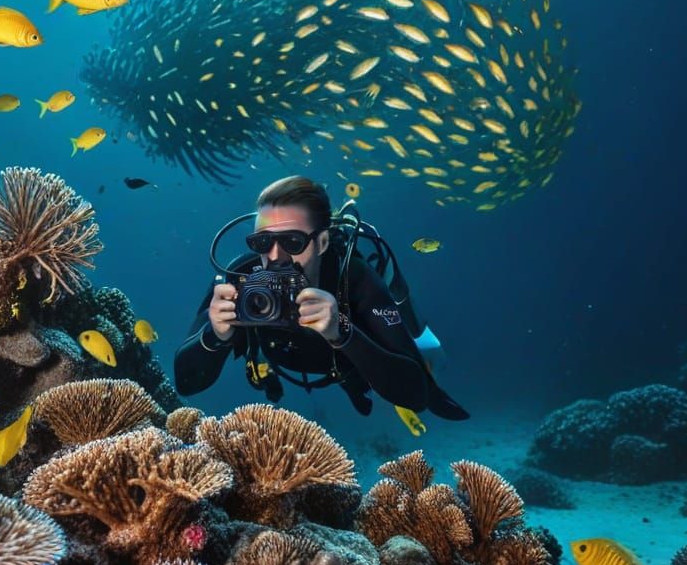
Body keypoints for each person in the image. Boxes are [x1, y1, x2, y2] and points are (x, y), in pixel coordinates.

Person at [174, 176, 469, 420]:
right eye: (262, 242)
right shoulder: (241, 278)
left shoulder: (354, 279)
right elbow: (186, 383)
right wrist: (215, 335)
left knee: (385, 369)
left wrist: (342, 333)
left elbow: (416, 395)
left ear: (323, 241)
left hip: (347, 366)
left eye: (293, 241)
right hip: (276, 361)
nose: (276, 257)